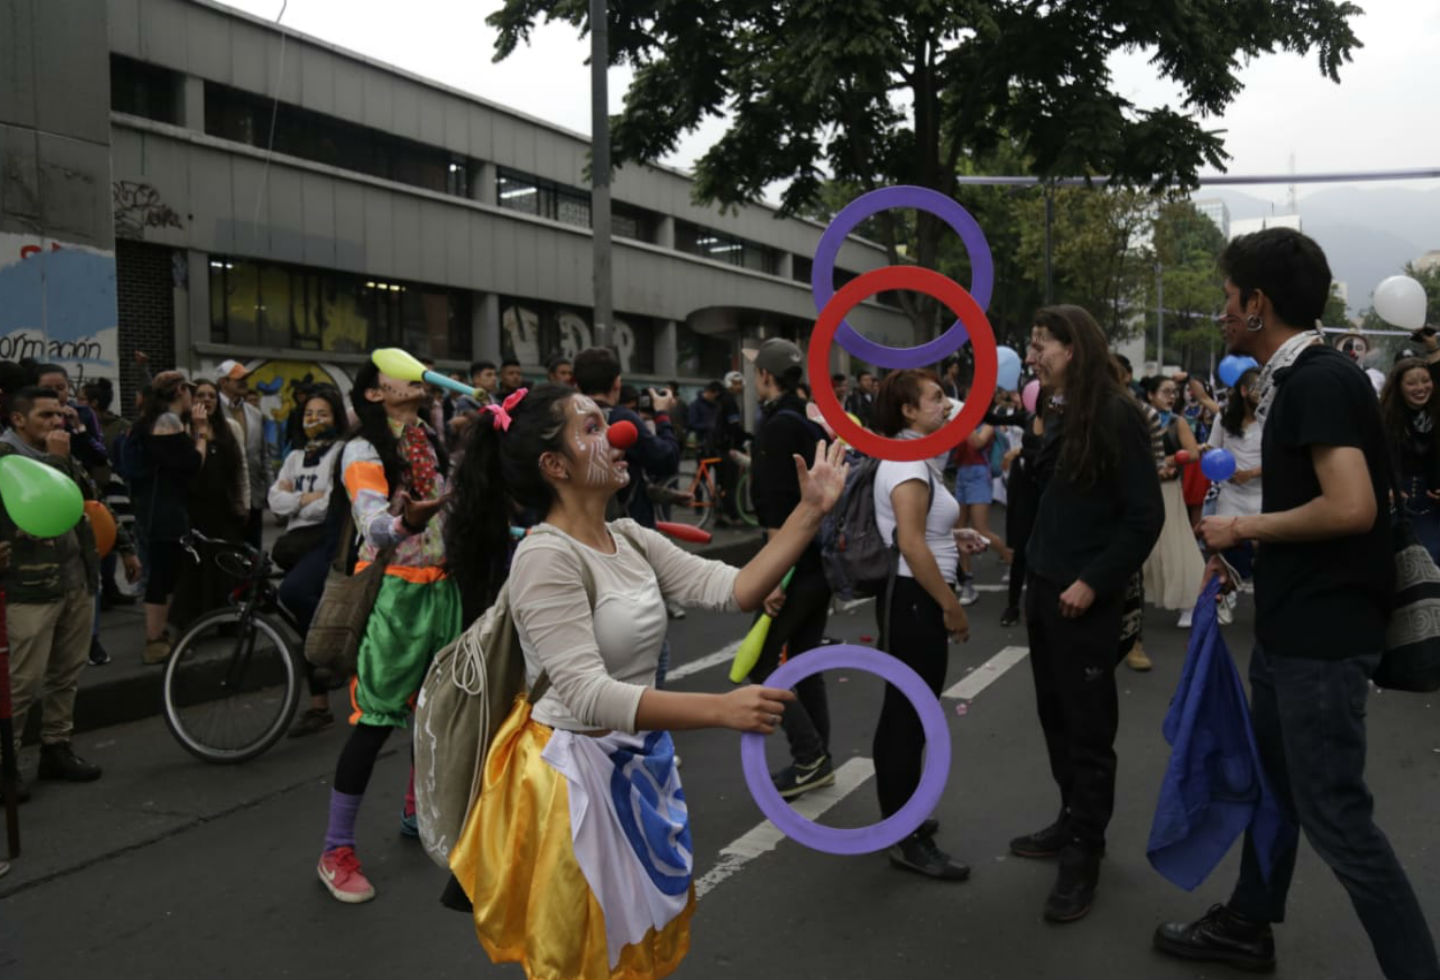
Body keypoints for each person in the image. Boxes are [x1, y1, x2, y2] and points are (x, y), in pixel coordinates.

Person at [441, 382, 845, 980]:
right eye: (594, 429)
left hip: (634, 764)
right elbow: (585, 693)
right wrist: (720, 709)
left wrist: (810, 510)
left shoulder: (628, 537)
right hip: (570, 785)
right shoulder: (546, 558)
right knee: (585, 956)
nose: (621, 436)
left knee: (634, 946)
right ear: (554, 465)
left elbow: (732, 589)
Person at [1157, 227, 1440, 980]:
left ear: (1259, 303)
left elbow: (1351, 508)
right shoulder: (1301, 377)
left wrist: (1241, 526)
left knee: (1338, 817)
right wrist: (1246, 552)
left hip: (1320, 641)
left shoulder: (1316, 380)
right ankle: (1249, 923)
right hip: (1293, 630)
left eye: (1227, 298)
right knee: (1275, 788)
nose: (1221, 312)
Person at [1014, 305, 1163, 923]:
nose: (1032, 356)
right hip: (1045, 590)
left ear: (1073, 348)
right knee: (1055, 719)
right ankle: (1069, 819)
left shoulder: (1116, 413)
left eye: (1041, 344)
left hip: (1083, 598)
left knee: (1088, 731)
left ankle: (1085, 853)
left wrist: (1093, 582)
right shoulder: (1055, 411)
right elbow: (1051, 495)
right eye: (1031, 344)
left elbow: (1143, 517)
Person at [314, 361, 461, 904]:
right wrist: (409, 523)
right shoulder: (361, 450)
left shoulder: (426, 436)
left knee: (435, 708)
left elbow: (451, 511)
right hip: (394, 598)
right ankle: (336, 851)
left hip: (442, 590)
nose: (417, 379)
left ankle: (414, 808)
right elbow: (373, 525)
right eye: (400, 374)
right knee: (374, 721)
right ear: (376, 392)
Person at [871, 368, 984, 880]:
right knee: (906, 717)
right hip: (914, 598)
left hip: (917, 594)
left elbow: (920, 532)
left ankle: (905, 817)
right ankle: (902, 835)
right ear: (908, 412)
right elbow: (911, 544)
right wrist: (951, 604)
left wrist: (954, 535)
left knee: (910, 714)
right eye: (936, 398)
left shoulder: (913, 457)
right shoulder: (907, 462)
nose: (947, 405)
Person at [1, 386, 140, 797]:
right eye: (46, 416)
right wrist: (58, 461)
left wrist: (126, 548)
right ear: (18, 420)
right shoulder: (7, 462)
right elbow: (51, 502)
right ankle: (5, 762)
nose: (57, 423)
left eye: (60, 415)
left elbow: (89, 502)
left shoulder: (65, 455)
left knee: (66, 673)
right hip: (29, 588)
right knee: (22, 681)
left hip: (76, 578)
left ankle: (56, 748)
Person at [744, 338, 835, 798]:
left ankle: (809, 755)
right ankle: (819, 756)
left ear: (766, 376)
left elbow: (779, 514)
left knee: (764, 665)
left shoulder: (777, 427)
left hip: (794, 563)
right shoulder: (813, 422)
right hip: (821, 562)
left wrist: (773, 578)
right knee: (804, 661)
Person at [269, 385, 347, 737]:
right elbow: (275, 501)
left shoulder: (342, 453)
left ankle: (338, 648)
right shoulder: (295, 457)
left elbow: (330, 504)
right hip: (296, 543)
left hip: (327, 541)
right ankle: (319, 707)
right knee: (301, 620)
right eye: (309, 414)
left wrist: (295, 499)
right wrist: (305, 499)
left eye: (323, 413)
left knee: (294, 594)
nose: (315, 420)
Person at [130, 372, 208, 665]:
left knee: (164, 572)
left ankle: (159, 636)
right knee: (163, 574)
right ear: (179, 391)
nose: (194, 398)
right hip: (164, 511)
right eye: (190, 392)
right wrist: (201, 432)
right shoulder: (168, 422)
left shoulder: (151, 421)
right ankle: (155, 639)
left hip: (155, 508)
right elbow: (191, 464)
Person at [168, 379, 249, 631]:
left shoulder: (231, 428)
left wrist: (244, 501)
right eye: (200, 395)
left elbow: (241, 467)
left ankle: (230, 619)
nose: (206, 400)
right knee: (196, 566)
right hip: (195, 507)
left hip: (224, 505)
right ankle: (192, 622)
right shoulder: (183, 429)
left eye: (211, 395)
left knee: (227, 564)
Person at [1139, 375, 1207, 630]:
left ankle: (1189, 603)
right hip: (1143, 488)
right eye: (1166, 391)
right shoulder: (1139, 417)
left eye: (1174, 392)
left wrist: (1168, 461)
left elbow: (1192, 453)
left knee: (1175, 545)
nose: (1172, 396)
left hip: (1168, 490)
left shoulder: (1178, 422)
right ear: (1150, 395)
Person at [1380, 357, 1440, 564]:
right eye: (1412, 383)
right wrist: (1387, 487)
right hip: (1398, 500)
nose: (1421, 388)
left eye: (1425, 380)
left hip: (1432, 502)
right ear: (1399, 387)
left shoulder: (1437, 414)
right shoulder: (1385, 419)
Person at [1209, 367, 1263, 585]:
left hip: (1262, 497)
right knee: (1224, 548)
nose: (1263, 394)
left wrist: (1251, 473)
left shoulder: (1272, 418)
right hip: (1230, 496)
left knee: (1261, 551)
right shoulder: (1223, 417)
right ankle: (1221, 595)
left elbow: (1280, 460)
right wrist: (1224, 471)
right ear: (1243, 391)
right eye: (1258, 389)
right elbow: (1212, 450)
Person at [215, 359, 268, 550]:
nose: (244, 382)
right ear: (223, 382)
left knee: (253, 547)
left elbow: (263, 455)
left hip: (253, 494)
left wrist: (268, 488)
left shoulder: (255, 413)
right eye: (238, 379)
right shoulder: (212, 410)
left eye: (246, 378)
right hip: (225, 494)